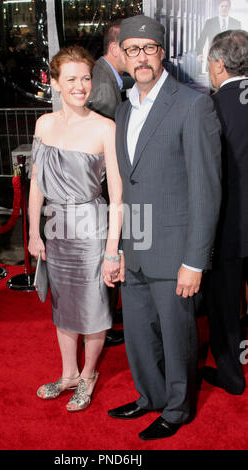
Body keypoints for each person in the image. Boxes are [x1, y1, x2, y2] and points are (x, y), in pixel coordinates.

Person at [107, 15, 222, 440]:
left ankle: (178, 408)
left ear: (162, 53)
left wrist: (195, 260)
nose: (141, 57)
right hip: (136, 245)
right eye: (132, 49)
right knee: (137, 335)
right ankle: (150, 396)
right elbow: (126, 185)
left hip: (175, 251)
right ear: (122, 55)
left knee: (177, 337)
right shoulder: (123, 108)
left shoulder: (193, 104)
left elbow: (206, 190)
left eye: (149, 49)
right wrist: (117, 248)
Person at [28, 45, 123, 412]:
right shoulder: (44, 125)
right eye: (71, 79)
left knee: (95, 308)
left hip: (91, 230)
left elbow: (116, 194)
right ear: (55, 84)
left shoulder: (104, 127)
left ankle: (88, 375)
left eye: (86, 78)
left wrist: (112, 249)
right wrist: (35, 233)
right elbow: (37, 182)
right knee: (63, 306)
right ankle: (68, 374)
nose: (81, 86)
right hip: (55, 228)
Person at [202, 30, 248, 395]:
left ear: (219, 64)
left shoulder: (213, 107)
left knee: (225, 304)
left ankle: (232, 375)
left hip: (229, 227)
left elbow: (208, 173)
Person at [87, 19, 126, 347]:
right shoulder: (102, 84)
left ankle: (109, 315)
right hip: (101, 189)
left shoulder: (107, 76)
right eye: (129, 47)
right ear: (115, 49)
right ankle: (104, 319)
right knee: (108, 250)